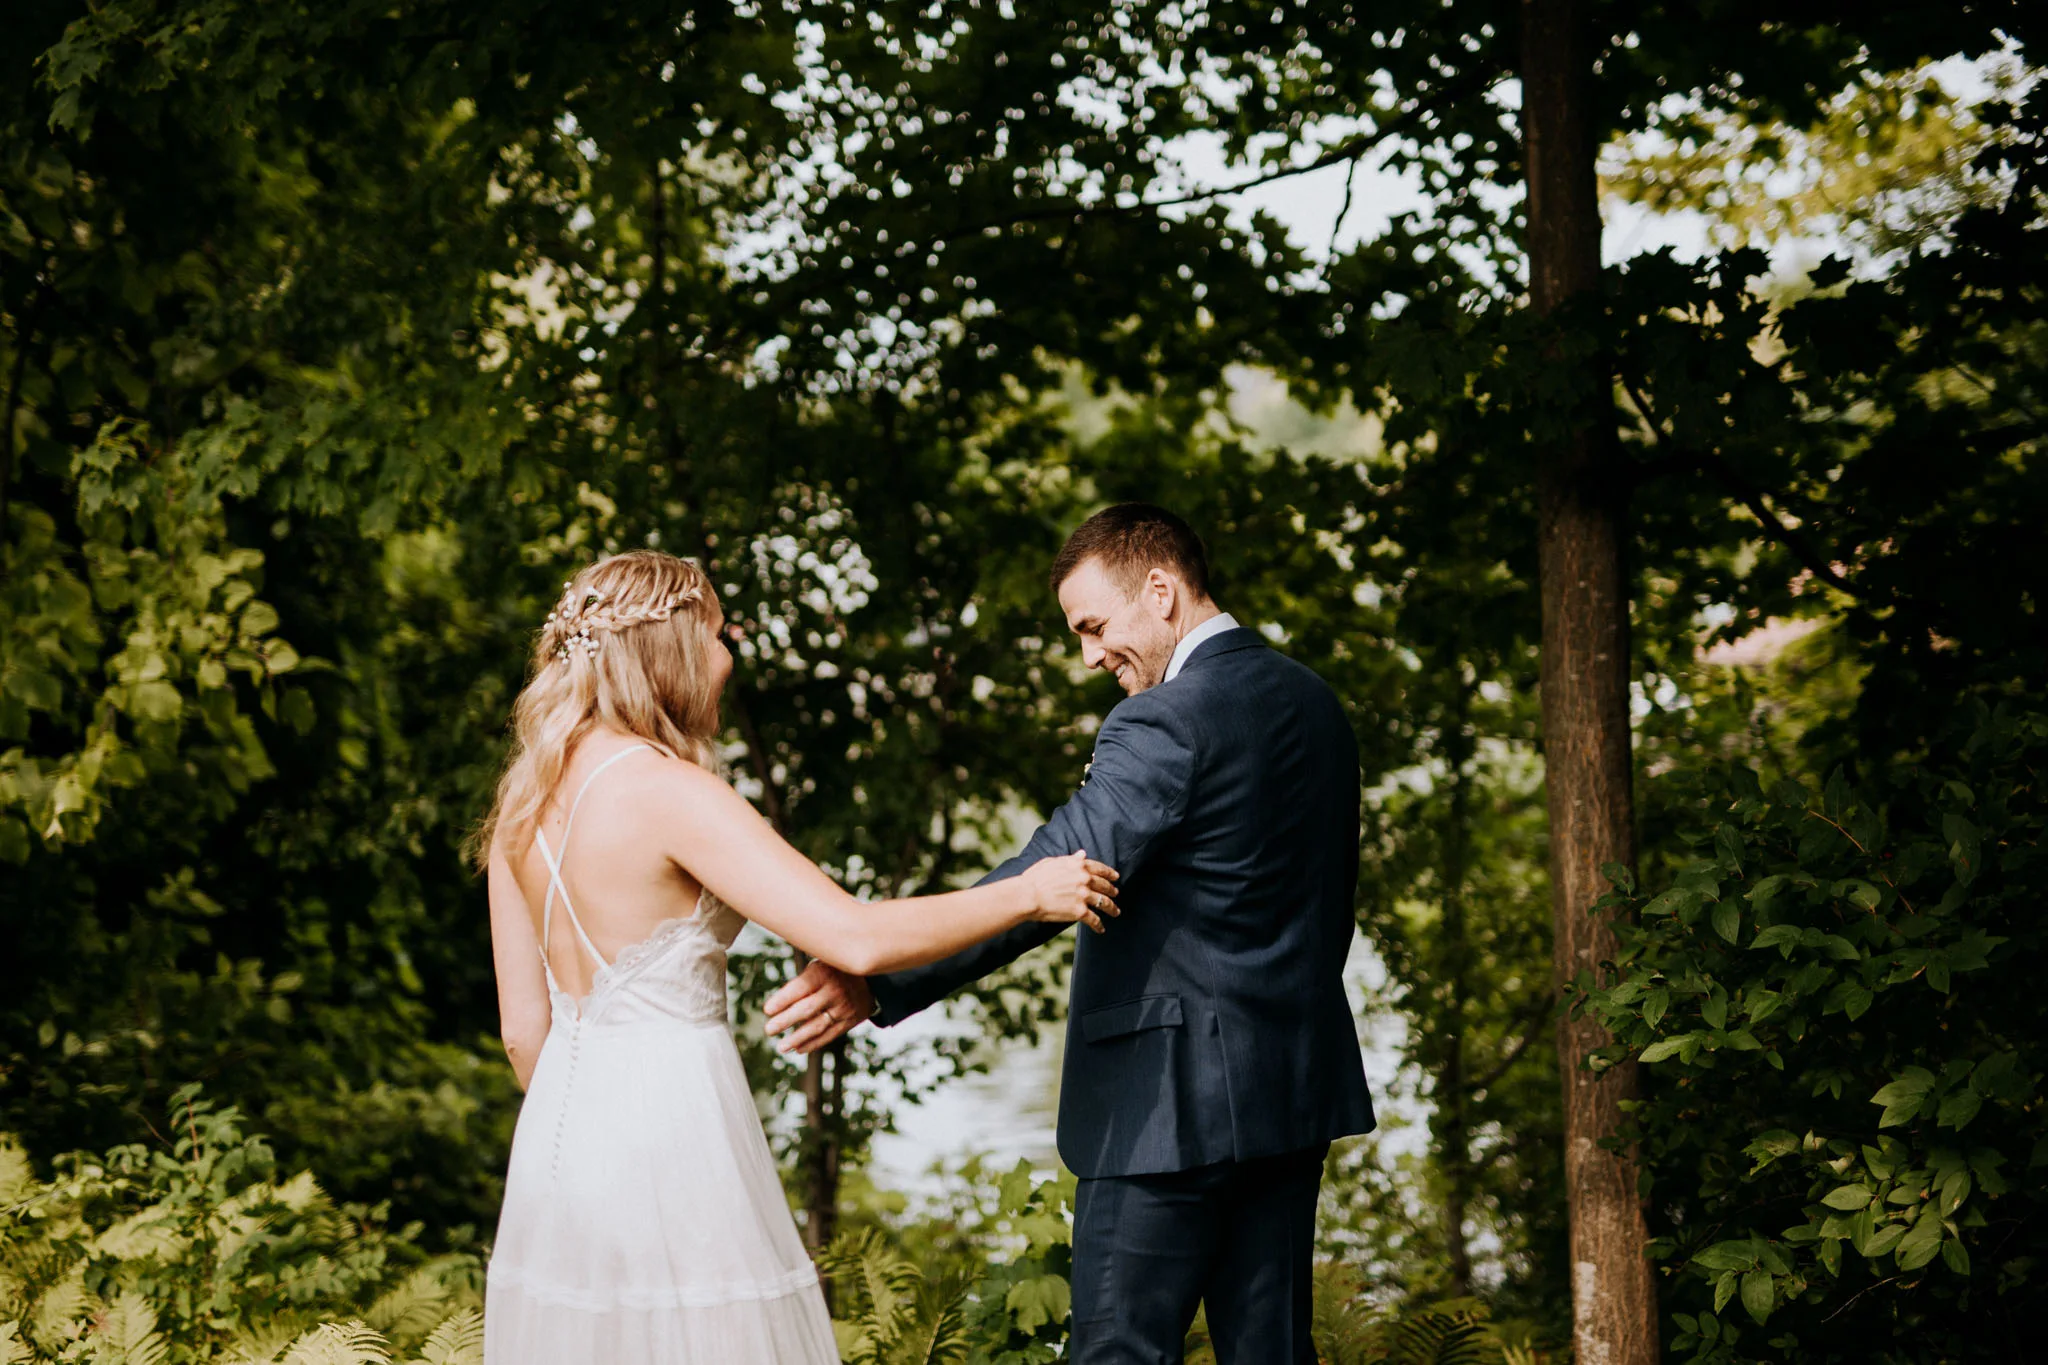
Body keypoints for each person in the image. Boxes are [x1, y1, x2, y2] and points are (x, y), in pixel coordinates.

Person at [475, 549, 1119, 1365]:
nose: (727, 658)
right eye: (714, 634)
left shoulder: (522, 807)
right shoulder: (668, 791)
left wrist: (593, 1111)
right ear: (669, 646)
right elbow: (854, 936)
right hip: (673, 1135)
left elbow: (523, 1034)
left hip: (558, 1155)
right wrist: (1031, 891)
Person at [767, 502, 1376, 1363]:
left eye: (1093, 626)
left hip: (1167, 1108)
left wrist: (880, 976)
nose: (1090, 655)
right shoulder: (1317, 703)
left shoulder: (1166, 717)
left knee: (1116, 1353)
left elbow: (1059, 868)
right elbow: (1328, 905)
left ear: (1160, 591)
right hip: (1291, 1089)